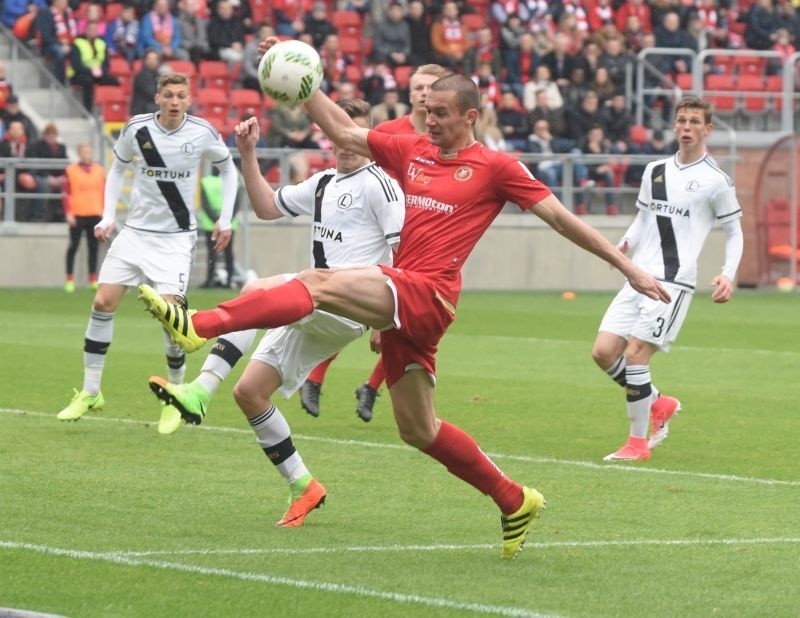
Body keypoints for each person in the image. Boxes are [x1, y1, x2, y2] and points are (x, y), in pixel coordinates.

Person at [139, 47, 670, 560]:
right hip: (403, 300)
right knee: (418, 429)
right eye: (426, 111)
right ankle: (514, 499)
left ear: (470, 115)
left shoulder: (496, 166)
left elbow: (560, 218)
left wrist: (625, 266)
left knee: (318, 281)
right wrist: (305, 83)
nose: (429, 120)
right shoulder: (411, 149)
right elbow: (344, 131)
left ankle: (198, 325)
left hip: (428, 292)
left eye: (440, 113)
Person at [146, 100, 403, 531]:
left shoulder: (381, 185)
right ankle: (303, 485)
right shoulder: (323, 183)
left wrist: (388, 321)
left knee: (254, 290)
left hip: (348, 306)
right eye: (340, 132)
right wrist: (247, 154)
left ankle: (199, 381)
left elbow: (403, 252)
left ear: (369, 138)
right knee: (250, 393)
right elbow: (267, 207)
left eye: (356, 133)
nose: (347, 142)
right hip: (314, 305)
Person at [56, 73, 238, 428]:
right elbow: (118, 167)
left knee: (173, 321)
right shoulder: (137, 129)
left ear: (188, 99)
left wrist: (226, 219)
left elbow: (228, 170)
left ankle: (175, 396)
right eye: (168, 94)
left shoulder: (201, 132)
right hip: (135, 234)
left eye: (180, 95)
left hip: (174, 240)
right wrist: (109, 215)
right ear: (157, 97)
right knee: (102, 303)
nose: (174, 101)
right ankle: (91, 391)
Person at [592, 96, 743, 462]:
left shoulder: (715, 181)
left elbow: (734, 231)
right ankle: (659, 403)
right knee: (603, 352)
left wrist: (728, 274)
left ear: (707, 129)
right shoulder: (655, 170)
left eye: (694, 122)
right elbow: (643, 219)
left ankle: (637, 443)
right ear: (674, 126)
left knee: (635, 355)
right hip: (638, 276)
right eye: (681, 121)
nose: (686, 127)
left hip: (673, 283)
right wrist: (625, 243)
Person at [299, 63, 451, 422]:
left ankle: (370, 386)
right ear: (410, 93)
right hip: (385, 230)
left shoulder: (443, 135)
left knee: (417, 326)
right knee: (346, 304)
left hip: (427, 240)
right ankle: (316, 378)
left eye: (431, 88)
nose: (423, 94)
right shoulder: (389, 132)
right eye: (418, 88)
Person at [62, 143, 105, 292]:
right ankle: (69, 279)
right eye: (84, 151)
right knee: (73, 246)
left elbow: (104, 192)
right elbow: (66, 193)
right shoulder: (71, 170)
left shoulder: (99, 170)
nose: (86, 154)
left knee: (93, 247)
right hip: (77, 213)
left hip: (94, 212)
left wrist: (104, 212)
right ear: (79, 153)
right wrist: (68, 212)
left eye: (88, 151)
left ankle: (92, 278)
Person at [198, 170, 239, 289]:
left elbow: (204, 203)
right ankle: (229, 279)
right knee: (228, 252)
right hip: (228, 223)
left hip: (210, 223)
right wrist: (225, 220)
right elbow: (236, 203)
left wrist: (215, 219)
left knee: (212, 252)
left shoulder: (206, 182)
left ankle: (210, 279)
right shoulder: (233, 181)